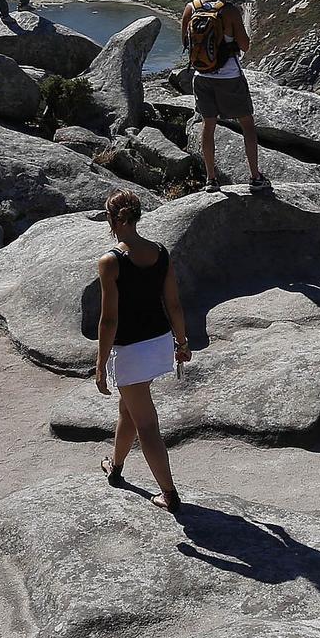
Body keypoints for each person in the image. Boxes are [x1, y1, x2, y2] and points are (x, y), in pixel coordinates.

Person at [94, 191, 191, 510]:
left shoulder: (111, 261)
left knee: (147, 423)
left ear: (113, 220)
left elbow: (109, 320)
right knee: (129, 409)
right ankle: (116, 466)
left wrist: (100, 364)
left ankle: (169, 493)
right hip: (159, 342)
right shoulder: (160, 252)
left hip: (131, 351)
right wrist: (182, 341)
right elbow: (174, 304)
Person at [182, 0, 268, 192]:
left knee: (207, 126)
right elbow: (245, 46)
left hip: (201, 76)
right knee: (247, 125)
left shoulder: (191, 8)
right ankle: (255, 177)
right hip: (229, 77)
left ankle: (211, 180)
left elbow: (185, 42)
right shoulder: (229, 11)